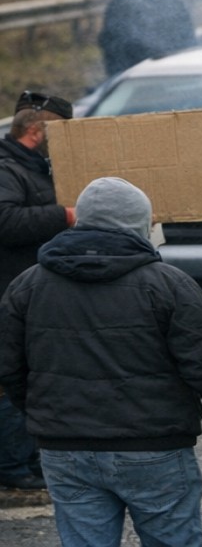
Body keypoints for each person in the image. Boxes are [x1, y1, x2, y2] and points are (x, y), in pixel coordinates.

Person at [0, 177, 202, 547]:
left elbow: (10, 367)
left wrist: (43, 415)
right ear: (141, 223)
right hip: (155, 444)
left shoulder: (28, 285)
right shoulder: (169, 284)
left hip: (65, 446)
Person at [0, 90, 75, 491]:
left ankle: (28, 460)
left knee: (32, 375)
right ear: (36, 131)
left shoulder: (33, 168)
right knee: (13, 376)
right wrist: (65, 215)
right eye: (61, 132)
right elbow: (5, 221)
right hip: (9, 293)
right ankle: (13, 466)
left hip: (29, 291)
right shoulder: (7, 169)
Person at [98, 0, 197, 76]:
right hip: (170, 73)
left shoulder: (121, 4)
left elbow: (109, 40)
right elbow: (188, 41)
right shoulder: (177, 5)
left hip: (132, 75)